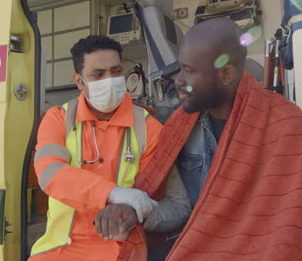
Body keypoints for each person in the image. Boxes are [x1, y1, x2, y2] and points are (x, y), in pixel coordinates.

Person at [138, 18, 302, 260]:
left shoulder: (287, 124)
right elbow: (179, 208)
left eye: (189, 71)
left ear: (226, 74)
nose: (178, 81)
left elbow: (289, 230)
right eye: (180, 68)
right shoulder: (179, 127)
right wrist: (135, 211)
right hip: (194, 246)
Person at [28, 35, 190, 261]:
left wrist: (134, 211)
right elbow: (49, 173)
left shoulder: (148, 127)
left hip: (121, 248)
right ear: (79, 81)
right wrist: (114, 194)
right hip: (59, 249)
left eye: (116, 71)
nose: (110, 79)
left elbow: (170, 203)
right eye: (97, 75)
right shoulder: (58, 119)